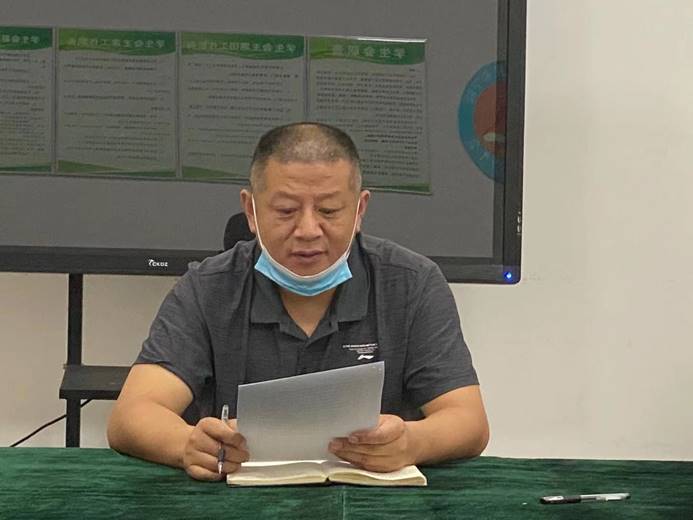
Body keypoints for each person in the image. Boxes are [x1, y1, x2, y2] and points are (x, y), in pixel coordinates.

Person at [107, 122, 489, 481]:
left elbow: (468, 420)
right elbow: (132, 415)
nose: (308, 230)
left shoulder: (411, 284)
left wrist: (412, 442)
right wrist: (188, 445)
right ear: (251, 210)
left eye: (329, 211)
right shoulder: (208, 288)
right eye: (286, 211)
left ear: (359, 210)